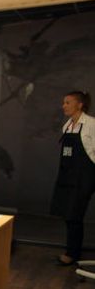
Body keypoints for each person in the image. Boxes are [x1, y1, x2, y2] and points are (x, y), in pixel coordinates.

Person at [50, 91, 95, 265]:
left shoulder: (91, 124)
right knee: (68, 215)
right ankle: (72, 252)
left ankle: (72, 254)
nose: (64, 106)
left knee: (74, 214)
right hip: (68, 176)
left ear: (80, 105)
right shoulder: (67, 126)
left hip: (86, 176)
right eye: (64, 102)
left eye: (68, 102)